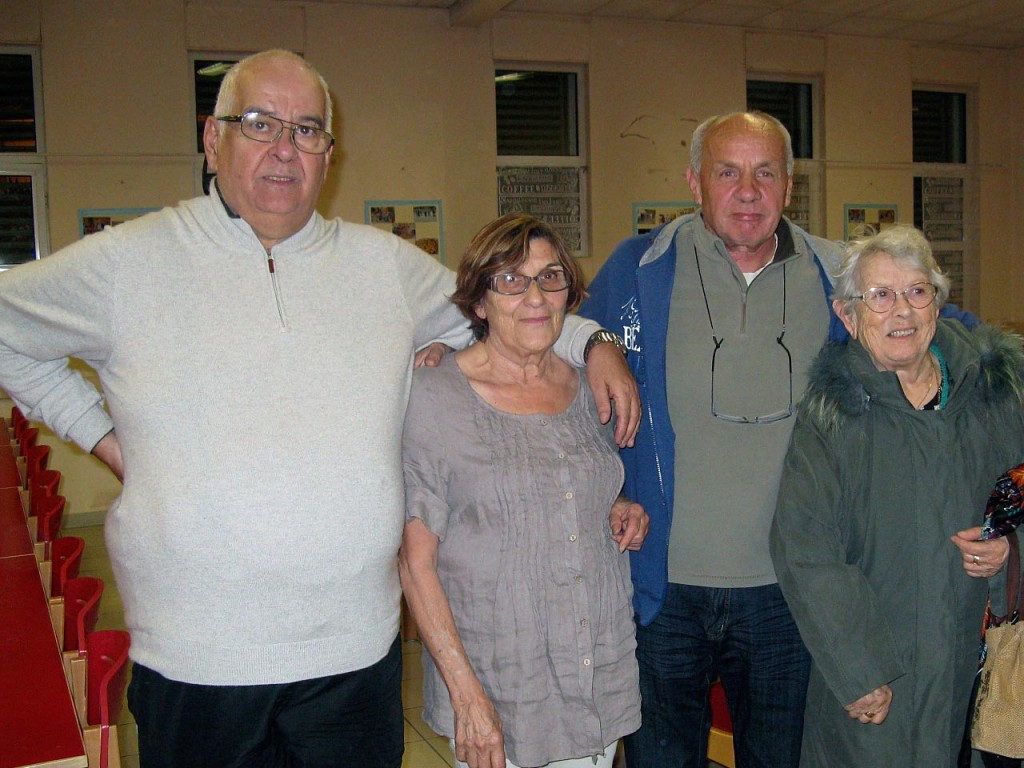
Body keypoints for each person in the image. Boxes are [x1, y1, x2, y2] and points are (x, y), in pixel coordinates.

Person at [0, 50, 640, 768]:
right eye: (259, 123)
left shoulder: (383, 268)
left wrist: (596, 344)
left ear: (329, 156)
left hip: (355, 656)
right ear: (213, 140)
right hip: (196, 658)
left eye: (306, 130)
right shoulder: (129, 262)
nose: (284, 149)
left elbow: (512, 312)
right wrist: (107, 439)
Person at [577, 111, 982, 768]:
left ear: (790, 186)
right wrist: (593, 342)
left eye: (765, 173)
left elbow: (952, 333)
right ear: (694, 181)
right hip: (661, 586)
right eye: (727, 172)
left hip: (788, 593)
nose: (747, 191)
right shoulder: (639, 267)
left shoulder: (837, 275)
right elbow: (552, 346)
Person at [398, 214, 648, 768]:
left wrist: (618, 507)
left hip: (594, 675)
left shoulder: (588, 388)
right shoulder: (437, 397)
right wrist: (468, 700)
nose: (535, 297)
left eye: (550, 277)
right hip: (504, 688)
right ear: (479, 302)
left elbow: (563, 488)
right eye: (511, 280)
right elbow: (416, 566)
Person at [770, 225, 1023, 767]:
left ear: (938, 301)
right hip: (882, 678)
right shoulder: (832, 415)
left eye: (916, 290)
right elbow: (804, 547)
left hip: (981, 675)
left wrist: (1013, 551)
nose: (901, 311)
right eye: (879, 296)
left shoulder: (997, 392)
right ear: (848, 315)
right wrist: (858, 669)